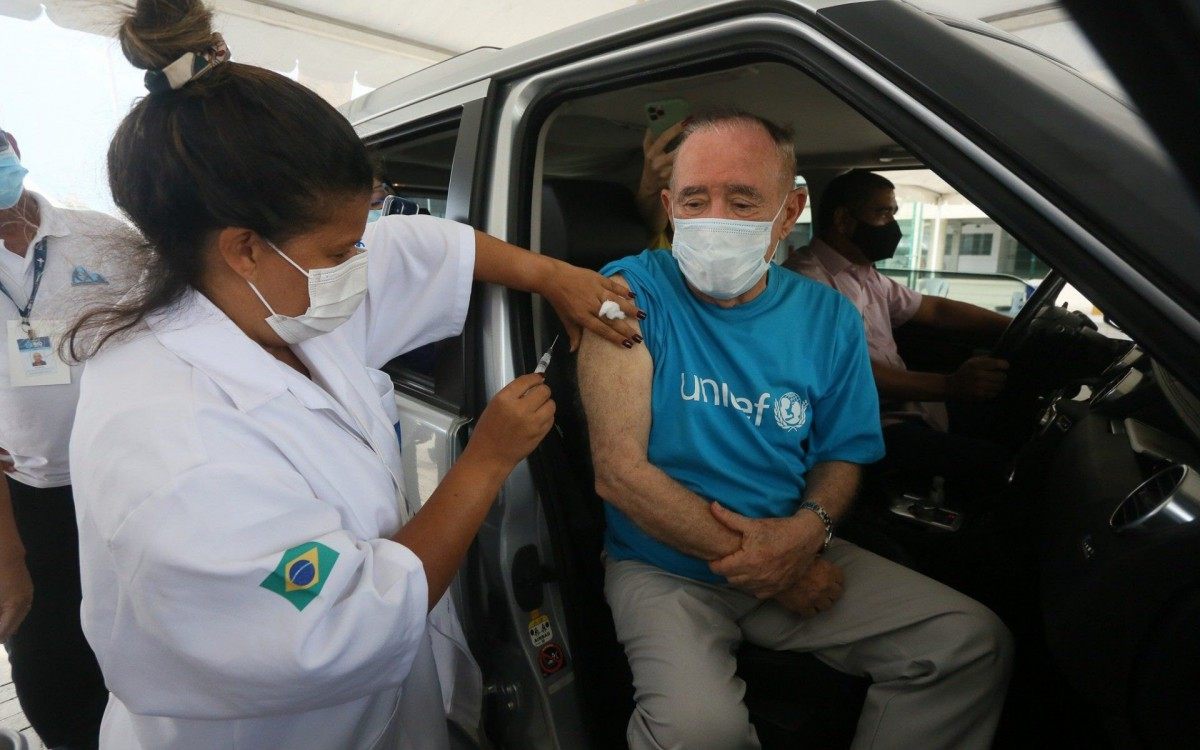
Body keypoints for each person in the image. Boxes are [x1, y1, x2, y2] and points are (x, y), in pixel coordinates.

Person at [65, 2, 642, 748]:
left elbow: (427, 247)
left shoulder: (282, 303)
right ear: (244, 248)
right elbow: (344, 622)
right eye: (341, 253)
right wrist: (486, 461)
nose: (359, 268)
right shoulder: (171, 443)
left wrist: (554, 274)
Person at [578, 110, 1012, 750]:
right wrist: (775, 566)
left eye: (744, 199)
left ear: (790, 212)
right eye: (695, 200)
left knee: (967, 643)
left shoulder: (829, 317)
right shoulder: (626, 292)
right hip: (663, 565)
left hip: (794, 541)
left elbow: (842, 453)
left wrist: (808, 533)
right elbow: (620, 473)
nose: (715, 218)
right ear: (669, 206)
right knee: (702, 733)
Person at [784, 169, 1014, 500]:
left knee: (1011, 428)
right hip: (866, 425)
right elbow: (851, 374)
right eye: (881, 213)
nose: (892, 225)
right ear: (843, 220)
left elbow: (935, 310)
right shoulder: (809, 283)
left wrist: (1012, 325)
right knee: (1000, 466)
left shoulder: (864, 274)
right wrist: (951, 386)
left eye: (894, 213)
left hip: (907, 409)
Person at [0, 127, 122, 750]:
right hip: (28, 497)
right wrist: (7, 553)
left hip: (128, 477)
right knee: (49, 663)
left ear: (13, 147)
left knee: (141, 638)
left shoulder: (103, 236)